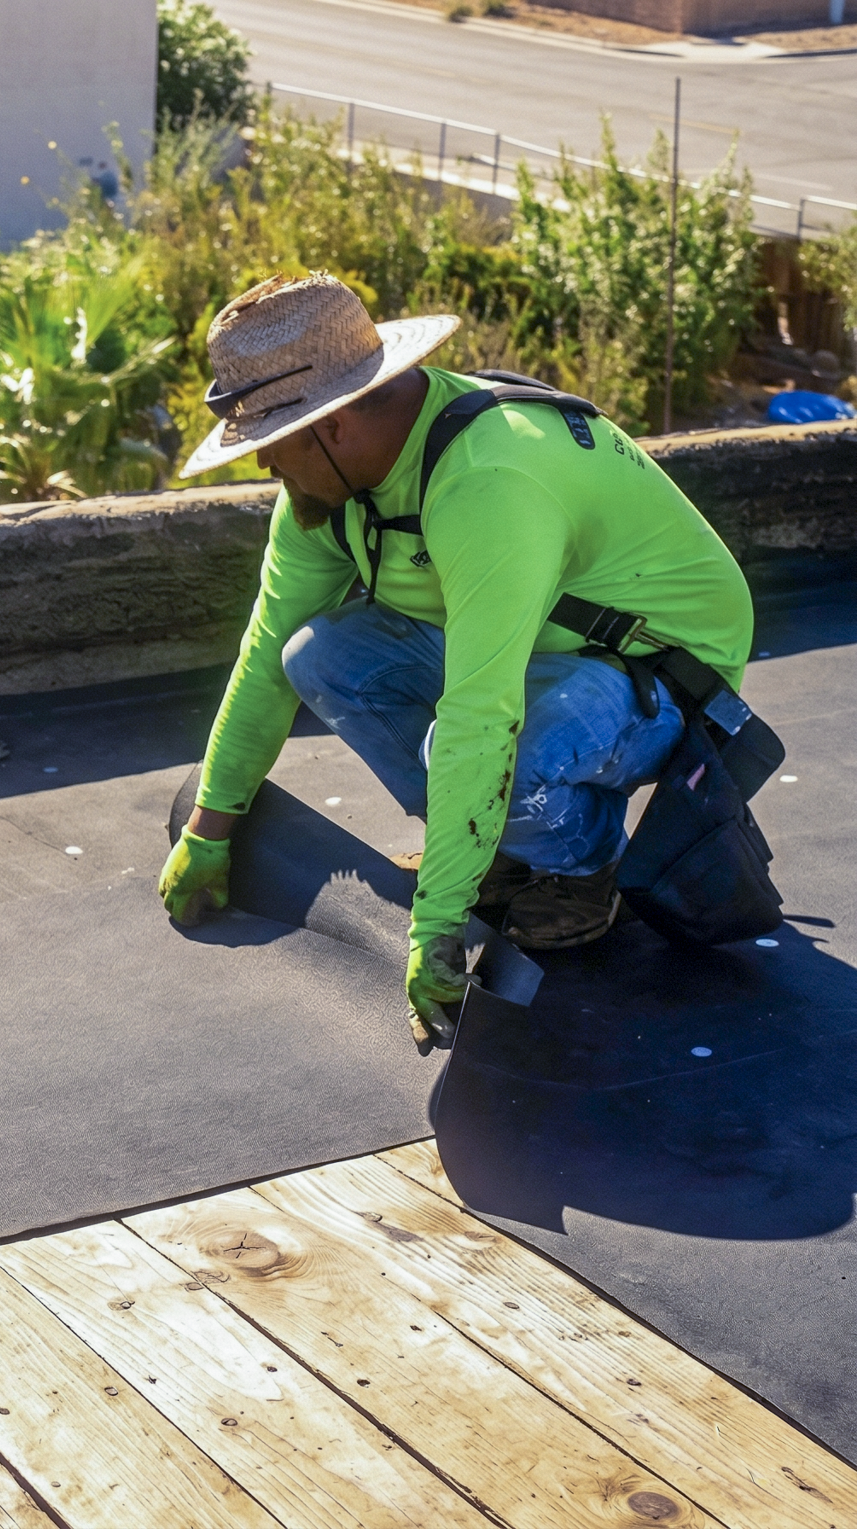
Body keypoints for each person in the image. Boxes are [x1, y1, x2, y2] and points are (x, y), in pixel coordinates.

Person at [157, 274, 752, 1047]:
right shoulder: (329, 493)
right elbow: (267, 653)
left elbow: (481, 715)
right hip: (542, 652)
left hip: (661, 676)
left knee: (486, 747)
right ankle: (501, 850)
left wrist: (437, 924)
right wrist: (209, 827)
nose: (266, 468)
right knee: (318, 654)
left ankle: (582, 871)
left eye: (271, 446)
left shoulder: (489, 480)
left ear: (331, 427)